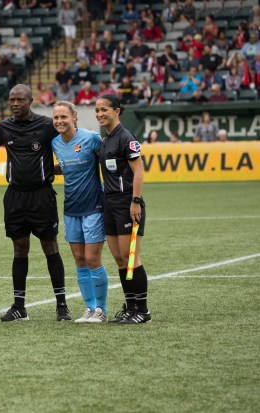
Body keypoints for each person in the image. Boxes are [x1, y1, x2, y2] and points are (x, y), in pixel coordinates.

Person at [0, 84, 71, 322]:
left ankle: (62, 305)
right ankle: (19, 307)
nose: (15, 104)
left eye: (20, 100)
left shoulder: (47, 125)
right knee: (19, 249)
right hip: (15, 197)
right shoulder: (5, 127)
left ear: (30, 101)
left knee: (51, 247)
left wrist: (64, 166)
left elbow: (70, 142)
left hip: (42, 196)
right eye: (11, 100)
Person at [95, 94, 151, 324]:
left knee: (131, 259)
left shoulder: (126, 137)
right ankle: (130, 307)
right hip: (110, 203)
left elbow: (138, 170)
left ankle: (143, 311)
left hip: (128, 203)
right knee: (119, 259)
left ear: (117, 111)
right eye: (97, 110)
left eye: (104, 110)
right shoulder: (105, 138)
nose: (99, 114)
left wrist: (135, 201)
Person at [51, 101, 109, 322]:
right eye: (56, 118)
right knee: (79, 259)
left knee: (93, 259)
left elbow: (107, 160)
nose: (59, 121)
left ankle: (101, 310)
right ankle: (89, 308)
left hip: (94, 207)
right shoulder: (55, 143)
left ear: (74, 117)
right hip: (71, 208)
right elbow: (65, 166)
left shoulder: (91, 138)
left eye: (63, 117)